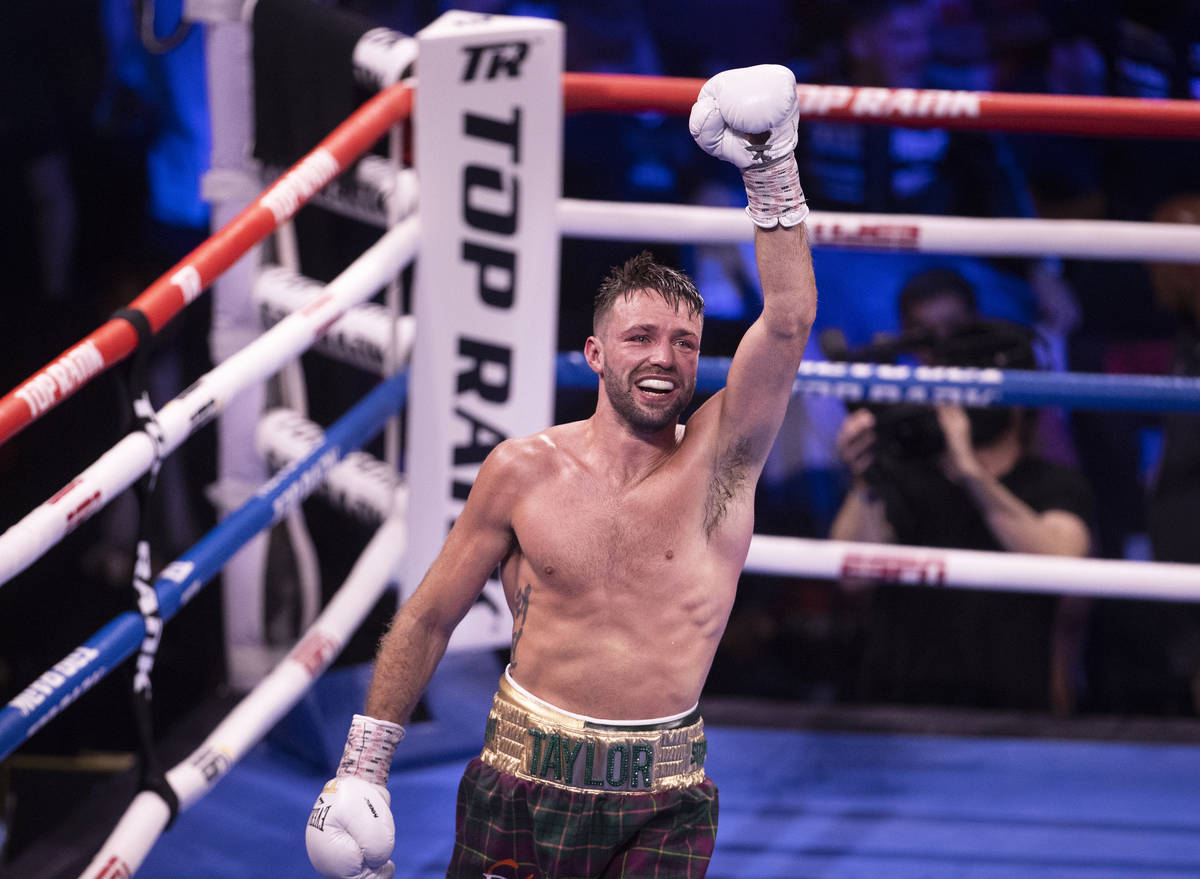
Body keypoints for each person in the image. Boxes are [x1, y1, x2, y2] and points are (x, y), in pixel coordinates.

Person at [305, 64, 816, 879]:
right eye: (641, 336)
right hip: (521, 779)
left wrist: (770, 164)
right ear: (594, 354)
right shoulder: (521, 471)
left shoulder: (720, 460)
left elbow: (787, 322)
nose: (664, 358)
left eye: (685, 343)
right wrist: (363, 764)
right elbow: (431, 615)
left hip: (665, 795)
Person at [829, 276, 1094, 712]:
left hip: (1011, 710)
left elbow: (1064, 568)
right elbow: (852, 575)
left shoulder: (1050, 481)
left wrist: (972, 473)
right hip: (901, 709)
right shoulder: (905, 469)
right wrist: (865, 481)